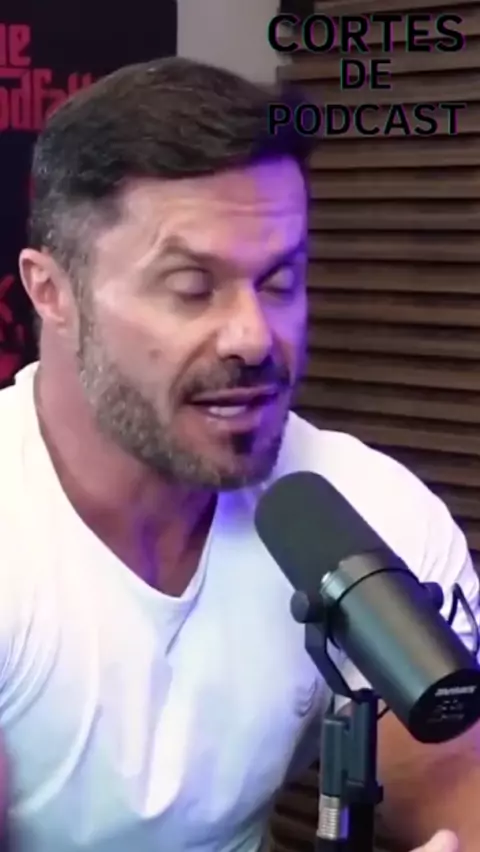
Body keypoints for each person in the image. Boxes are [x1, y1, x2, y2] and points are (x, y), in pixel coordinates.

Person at [0, 57, 477, 852]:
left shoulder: (369, 513)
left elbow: (450, 785)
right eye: (192, 288)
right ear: (52, 292)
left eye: (280, 282)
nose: (254, 337)